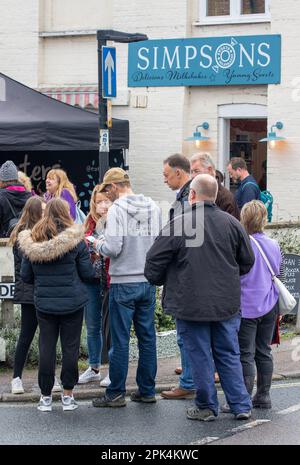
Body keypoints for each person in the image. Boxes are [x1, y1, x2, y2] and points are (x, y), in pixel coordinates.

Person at [145, 174, 255, 421]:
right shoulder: (232, 223)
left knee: (200, 355)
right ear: (215, 195)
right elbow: (247, 261)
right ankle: (241, 405)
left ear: (192, 195)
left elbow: (153, 262)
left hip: (189, 302)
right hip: (225, 303)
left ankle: (206, 406)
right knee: (228, 353)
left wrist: (166, 279)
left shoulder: (180, 223)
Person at [91, 168, 161, 408]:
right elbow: (159, 243)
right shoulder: (153, 206)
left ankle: (116, 394)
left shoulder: (117, 210)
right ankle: (147, 390)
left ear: (113, 187)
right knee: (147, 338)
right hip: (147, 281)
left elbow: (113, 248)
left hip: (122, 282)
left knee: (120, 341)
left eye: (106, 190)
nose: (106, 195)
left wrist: (97, 243)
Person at [19, 198, 95, 412]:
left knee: (46, 347)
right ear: (66, 213)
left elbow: (26, 276)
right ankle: (68, 395)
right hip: (73, 302)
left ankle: (45, 397)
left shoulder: (33, 239)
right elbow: (88, 273)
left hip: (44, 304)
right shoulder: (76, 241)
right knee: (70, 348)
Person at [8, 197, 63, 394]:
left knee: (47, 338)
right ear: (33, 212)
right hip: (29, 290)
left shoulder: (43, 232)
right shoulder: (23, 234)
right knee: (26, 335)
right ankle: (16, 378)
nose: (44, 212)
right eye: (41, 209)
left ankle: (52, 378)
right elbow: (28, 265)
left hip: (41, 289)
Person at [238, 200, 282, 409]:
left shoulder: (242, 243)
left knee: (245, 354)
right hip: (270, 304)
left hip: (246, 306)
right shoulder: (274, 244)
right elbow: (277, 273)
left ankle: (243, 398)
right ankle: (263, 396)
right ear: (264, 219)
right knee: (263, 351)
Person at [160, 154, 195, 400]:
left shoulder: (187, 197)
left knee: (186, 334)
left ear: (179, 173)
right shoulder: (188, 194)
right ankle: (191, 377)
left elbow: (181, 235)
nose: (164, 180)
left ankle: (188, 383)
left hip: (185, 273)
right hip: (192, 271)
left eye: (166, 175)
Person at [78, 185, 112, 388]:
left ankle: (112, 370)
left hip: (109, 280)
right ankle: (94, 367)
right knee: (92, 326)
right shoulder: (89, 221)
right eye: (99, 201)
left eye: (106, 200)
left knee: (110, 327)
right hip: (90, 279)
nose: (103, 205)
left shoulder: (117, 220)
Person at [190, 152, 240, 219]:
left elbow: (231, 227)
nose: (193, 176)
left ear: (209, 170)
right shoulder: (190, 193)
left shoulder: (227, 199)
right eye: (191, 172)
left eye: (196, 171)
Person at [0, 160, 32, 237]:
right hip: (26, 242)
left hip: (5, 244)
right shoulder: (30, 196)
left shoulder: (1, 196)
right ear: (16, 178)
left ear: (1, 180)